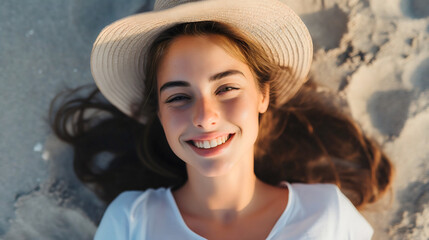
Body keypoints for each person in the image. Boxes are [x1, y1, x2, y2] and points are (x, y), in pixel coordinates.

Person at [50, 0, 394, 239]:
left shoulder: (327, 214)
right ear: (159, 113)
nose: (204, 117)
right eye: (179, 97)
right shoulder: (130, 221)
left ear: (263, 94)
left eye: (226, 88)